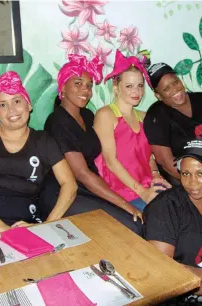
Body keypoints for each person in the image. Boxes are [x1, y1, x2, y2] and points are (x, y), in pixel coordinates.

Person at [0, 71, 77, 241]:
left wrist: (47, 226)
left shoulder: (44, 141)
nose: (11, 110)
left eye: (17, 101)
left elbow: (69, 185)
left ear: (29, 105)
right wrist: (3, 230)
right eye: (3, 105)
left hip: (28, 224)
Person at [41, 54, 143, 234]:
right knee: (130, 224)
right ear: (62, 87)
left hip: (87, 188)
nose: (85, 90)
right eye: (78, 83)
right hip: (64, 193)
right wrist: (123, 203)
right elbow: (81, 173)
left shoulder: (87, 116)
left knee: (135, 222)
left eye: (89, 86)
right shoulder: (57, 121)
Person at [142, 139, 202, 304]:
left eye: (200, 174)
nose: (192, 182)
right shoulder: (165, 207)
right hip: (174, 291)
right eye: (185, 173)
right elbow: (162, 271)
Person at [94, 50, 170, 212]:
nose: (136, 92)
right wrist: (142, 192)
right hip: (121, 194)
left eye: (140, 86)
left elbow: (148, 155)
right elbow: (110, 162)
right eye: (129, 86)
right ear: (116, 87)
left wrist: (156, 174)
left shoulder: (144, 116)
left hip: (147, 186)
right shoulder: (106, 115)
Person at [144, 63, 202, 186]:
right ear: (158, 96)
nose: (174, 89)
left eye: (175, 82)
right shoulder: (156, 115)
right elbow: (166, 163)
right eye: (166, 89)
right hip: (189, 182)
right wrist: (197, 183)